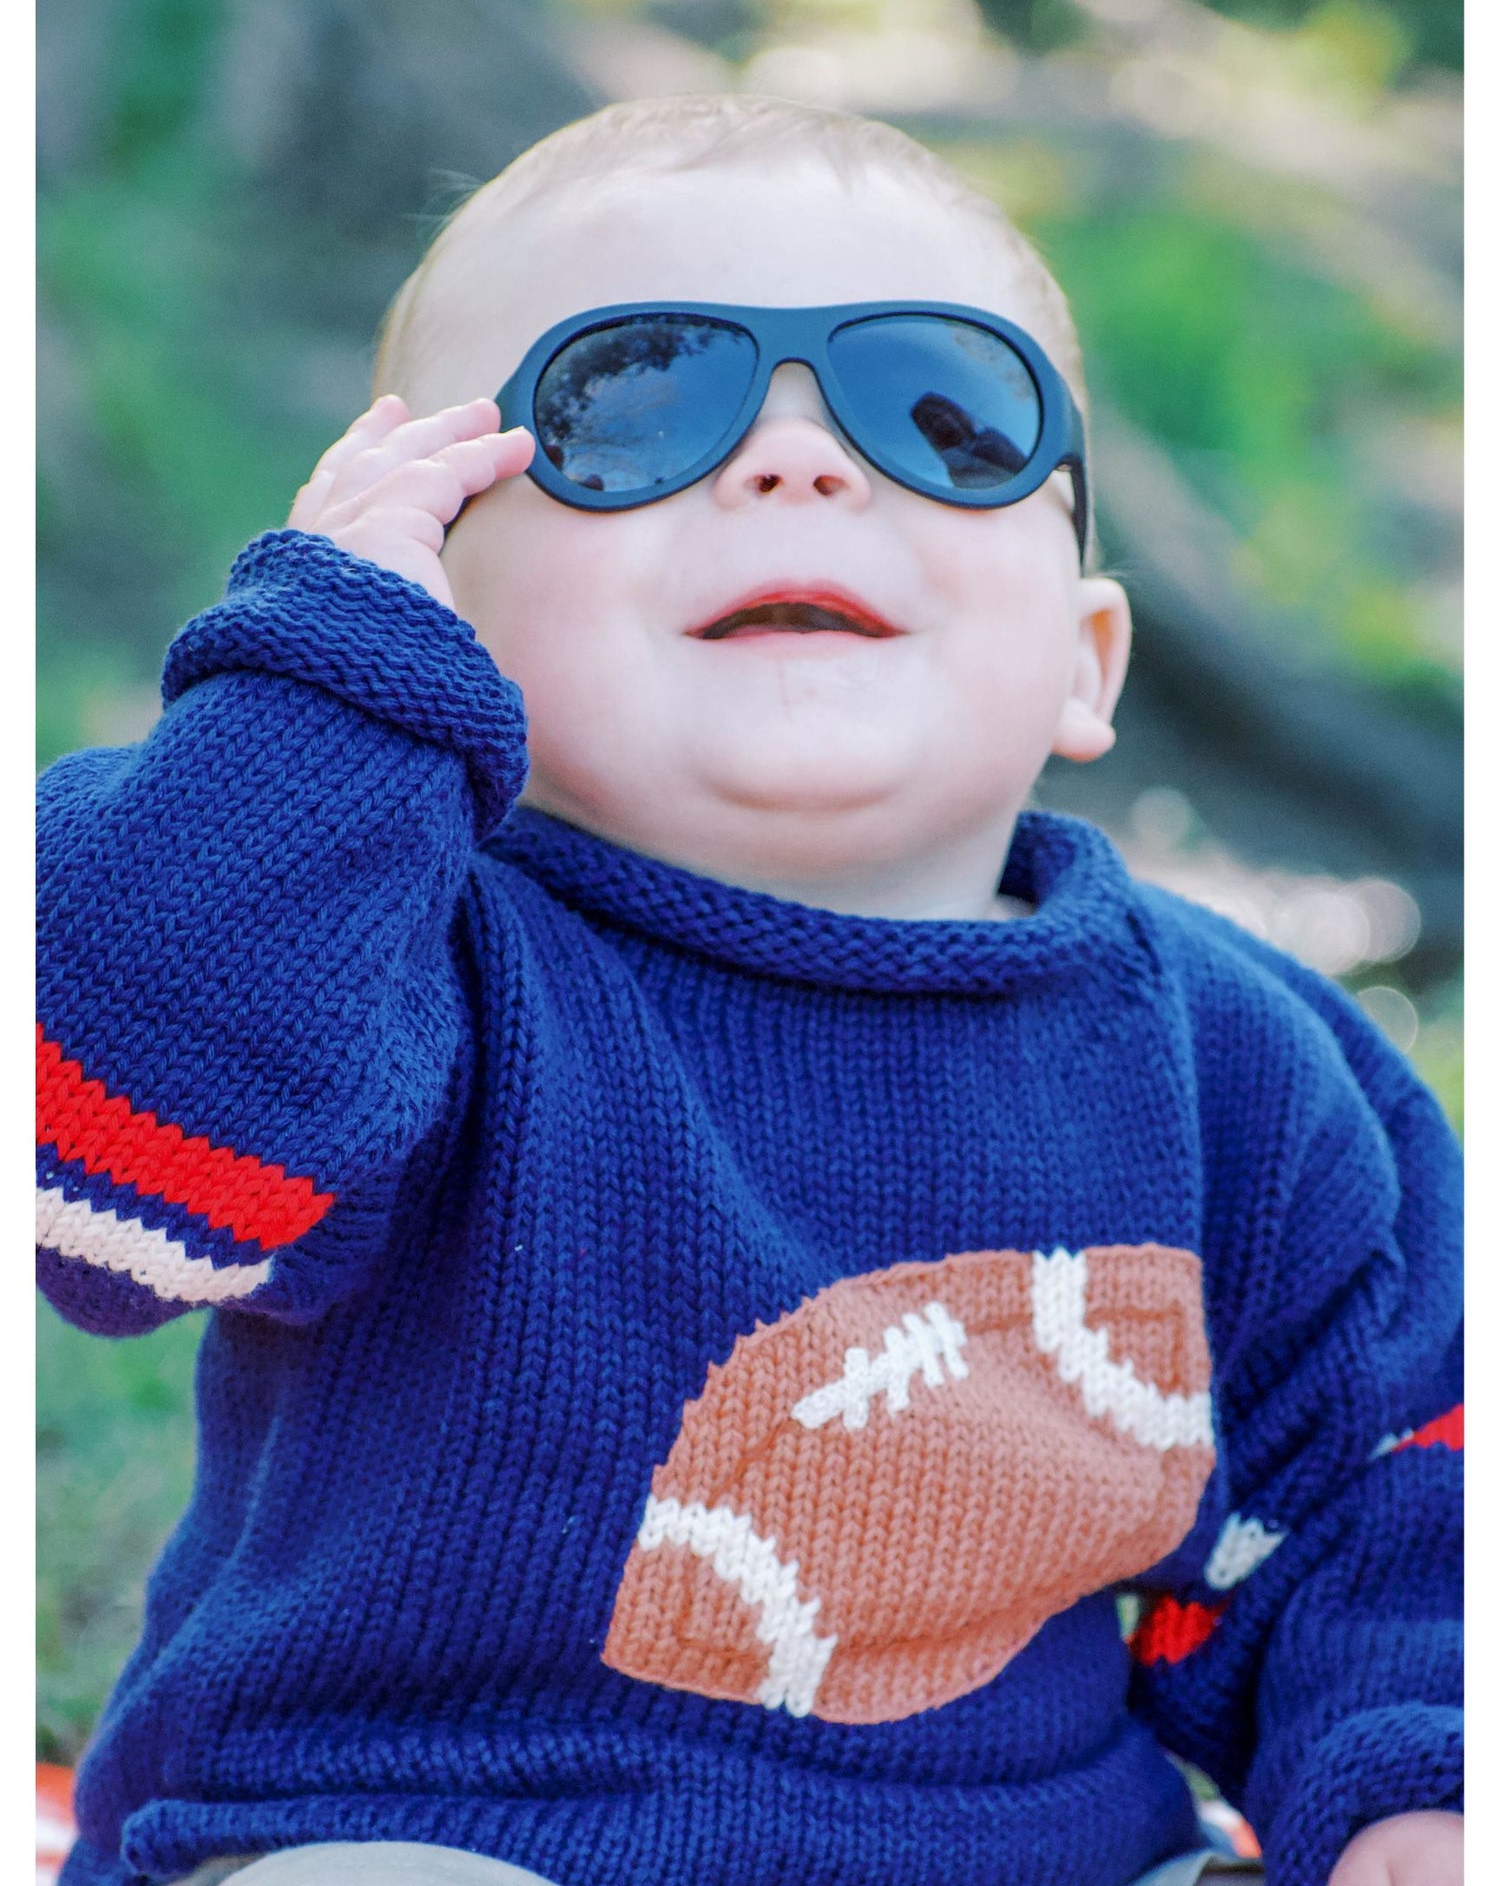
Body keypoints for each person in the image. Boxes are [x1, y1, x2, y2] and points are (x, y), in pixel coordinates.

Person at [36, 96, 1461, 1886]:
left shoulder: (1244, 1070)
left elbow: (1374, 1502)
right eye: (632, 405)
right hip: (426, 1825)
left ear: (1086, 662)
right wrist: (322, 707)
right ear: (434, 595)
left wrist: (1416, 1783)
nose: (796, 465)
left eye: (945, 412)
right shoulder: (397, 957)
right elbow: (98, 1184)